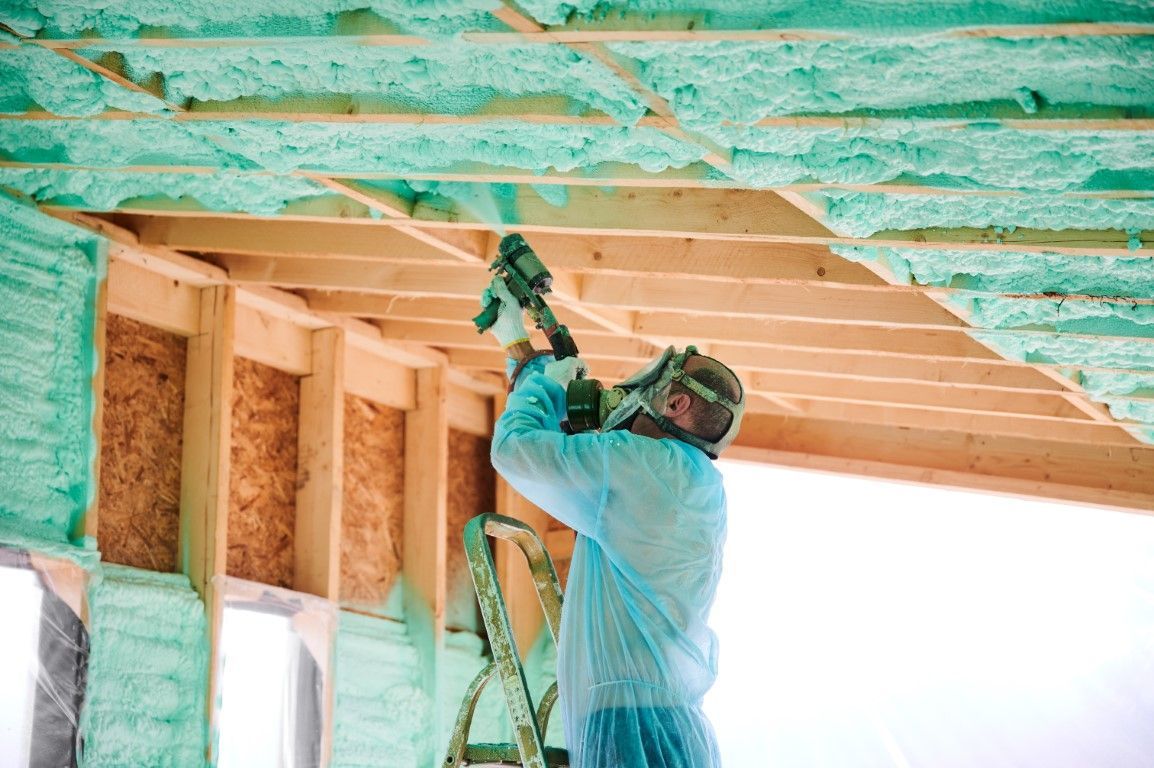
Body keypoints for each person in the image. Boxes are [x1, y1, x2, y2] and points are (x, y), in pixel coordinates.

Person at [481, 276, 745, 768]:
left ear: (677, 404)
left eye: (657, 378)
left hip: (625, 727)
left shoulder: (635, 462)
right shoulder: (697, 483)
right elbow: (582, 460)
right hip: (678, 727)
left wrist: (540, 380)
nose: (634, 384)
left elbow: (517, 451)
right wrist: (520, 350)